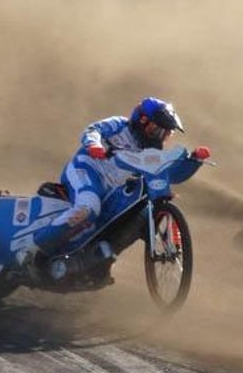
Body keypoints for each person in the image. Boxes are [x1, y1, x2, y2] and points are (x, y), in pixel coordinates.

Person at [20, 97, 210, 275]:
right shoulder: (119, 125)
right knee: (89, 207)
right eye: (157, 130)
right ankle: (33, 250)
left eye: (166, 133)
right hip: (86, 170)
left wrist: (193, 161)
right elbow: (93, 130)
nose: (160, 137)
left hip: (112, 190)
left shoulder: (151, 152)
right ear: (142, 121)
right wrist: (94, 145)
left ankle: (90, 261)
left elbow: (171, 175)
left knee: (124, 219)